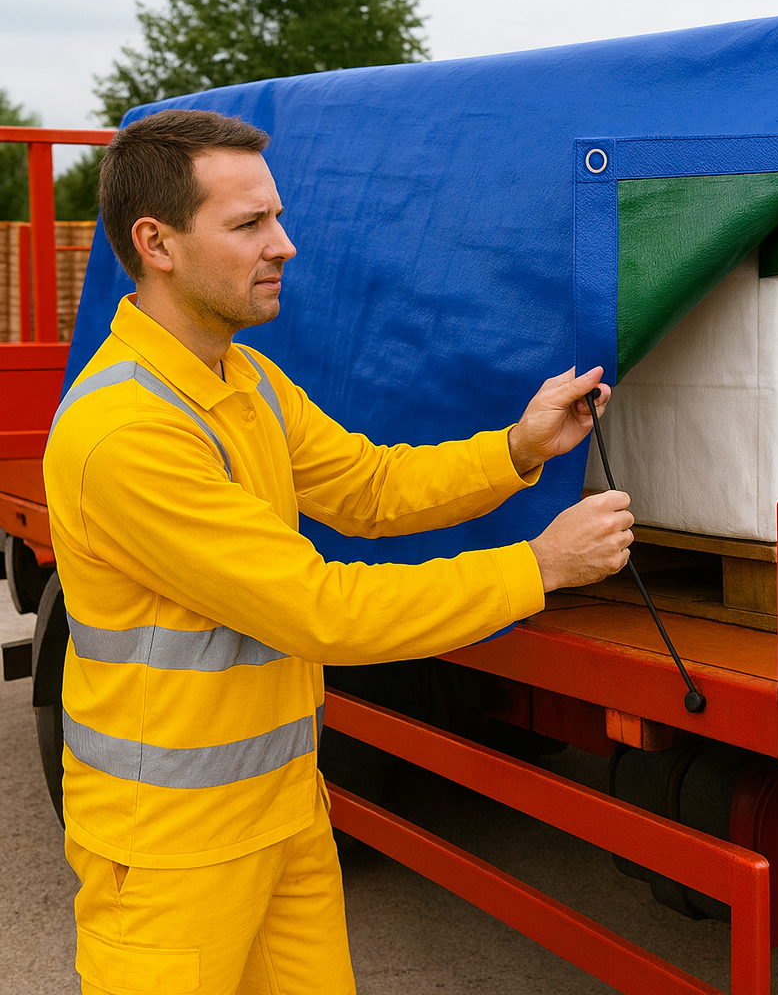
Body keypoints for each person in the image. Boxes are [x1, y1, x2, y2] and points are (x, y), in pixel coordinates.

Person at [43, 108, 633, 995]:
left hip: (282, 814)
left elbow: (368, 485)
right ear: (156, 243)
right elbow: (319, 608)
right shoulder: (125, 433)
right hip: (170, 855)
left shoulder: (243, 380)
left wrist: (517, 446)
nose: (284, 245)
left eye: (276, 217)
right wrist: (537, 567)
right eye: (249, 225)